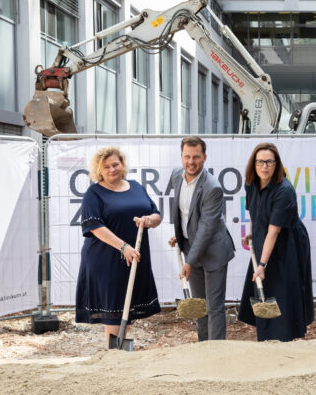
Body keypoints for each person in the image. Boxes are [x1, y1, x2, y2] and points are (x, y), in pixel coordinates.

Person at [75, 146, 162, 347]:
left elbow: (156, 214)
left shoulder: (136, 187)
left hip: (134, 257)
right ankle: (114, 355)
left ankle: (121, 353)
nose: (112, 169)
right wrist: (124, 247)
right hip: (106, 260)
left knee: (126, 308)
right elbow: (95, 227)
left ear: (122, 164)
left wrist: (149, 220)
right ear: (99, 170)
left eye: (115, 164)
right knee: (115, 312)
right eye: (106, 167)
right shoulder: (93, 193)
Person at [236, 143, 314, 341]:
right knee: (263, 287)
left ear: (276, 164)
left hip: (287, 244)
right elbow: (254, 211)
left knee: (281, 289)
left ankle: (284, 338)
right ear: (254, 164)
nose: (264, 166)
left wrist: (262, 264)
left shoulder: (284, 190)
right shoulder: (251, 184)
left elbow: (274, 231)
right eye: (260, 162)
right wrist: (252, 232)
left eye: (269, 162)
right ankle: (265, 337)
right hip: (265, 238)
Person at [167, 136, 235, 341]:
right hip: (191, 247)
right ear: (181, 156)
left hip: (214, 251)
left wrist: (188, 262)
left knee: (214, 306)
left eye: (196, 157)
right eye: (187, 156)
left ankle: (216, 351)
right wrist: (181, 235)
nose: (191, 162)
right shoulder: (176, 175)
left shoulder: (212, 187)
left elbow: (206, 228)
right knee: (199, 306)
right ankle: (203, 347)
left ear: (205, 157)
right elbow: (185, 213)